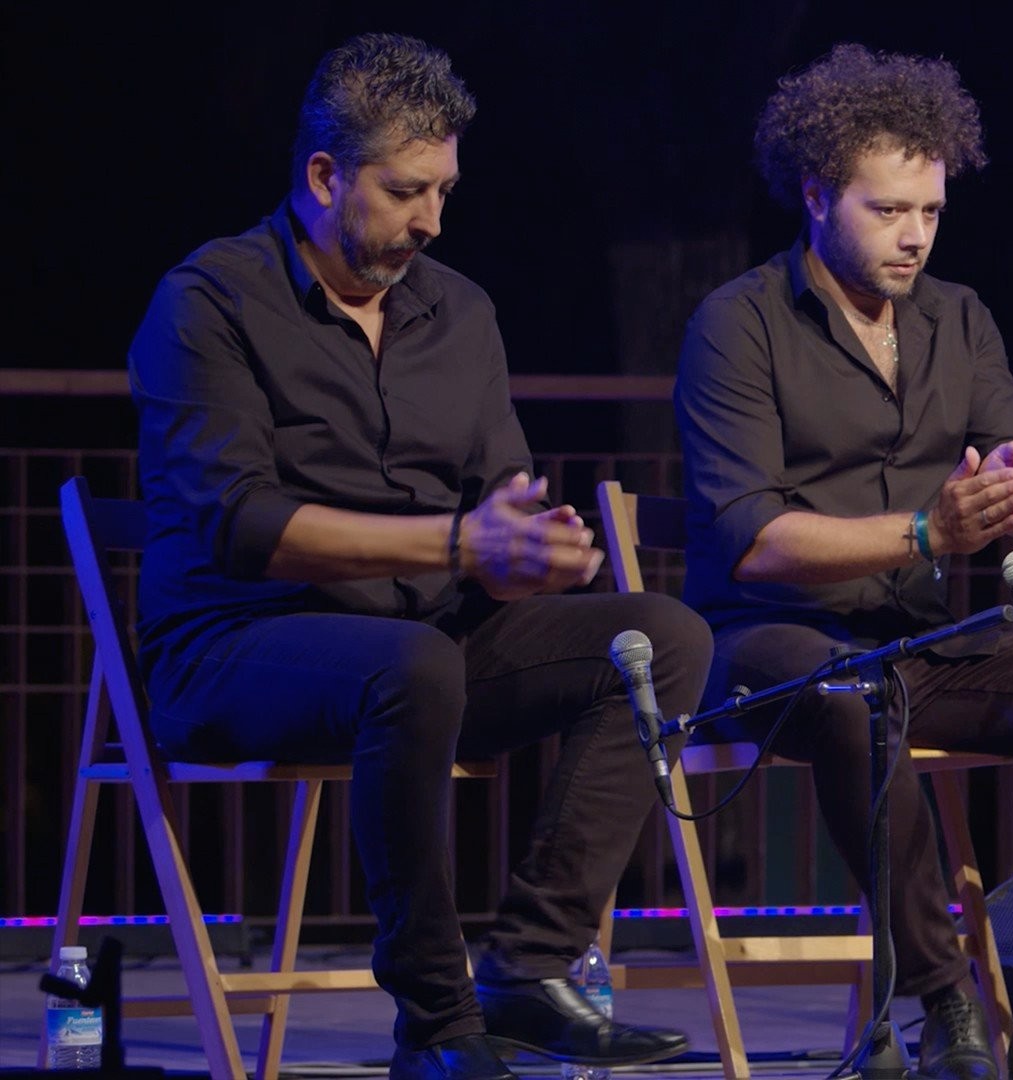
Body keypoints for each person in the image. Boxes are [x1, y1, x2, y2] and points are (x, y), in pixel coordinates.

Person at [128, 33, 711, 1080]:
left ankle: (528, 971)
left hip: (424, 639)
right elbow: (239, 525)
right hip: (235, 645)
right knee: (411, 665)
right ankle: (437, 1023)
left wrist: (529, 551)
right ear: (322, 176)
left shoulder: (461, 310)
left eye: (443, 191)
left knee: (659, 637)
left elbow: (497, 497)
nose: (431, 220)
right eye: (405, 193)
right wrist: (457, 541)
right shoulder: (208, 303)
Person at [674, 43, 1013, 1080]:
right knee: (855, 701)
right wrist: (927, 532)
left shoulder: (958, 318)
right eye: (888, 211)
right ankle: (943, 996)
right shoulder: (737, 325)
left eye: (931, 212)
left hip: (922, 640)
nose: (914, 237)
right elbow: (750, 537)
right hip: (770, 645)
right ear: (818, 197)